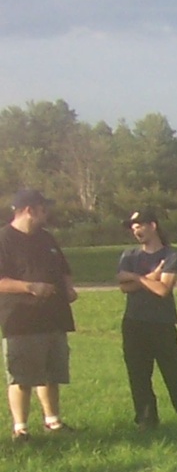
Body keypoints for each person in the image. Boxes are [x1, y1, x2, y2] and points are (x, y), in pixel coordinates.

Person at [0, 189, 77, 441]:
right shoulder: (4, 239)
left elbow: (63, 268)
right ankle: (20, 428)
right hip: (22, 319)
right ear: (30, 210)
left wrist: (68, 287)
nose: (47, 213)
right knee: (22, 376)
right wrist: (30, 287)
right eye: (43, 208)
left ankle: (52, 421)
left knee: (50, 373)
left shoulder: (46, 238)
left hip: (53, 316)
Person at [117, 208, 177, 431]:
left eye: (139, 226)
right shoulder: (129, 255)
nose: (136, 231)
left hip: (162, 323)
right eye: (133, 228)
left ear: (153, 226)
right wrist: (147, 278)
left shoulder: (171, 256)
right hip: (134, 322)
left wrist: (140, 280)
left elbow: (163, 289)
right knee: (138, 374)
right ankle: (146, 419)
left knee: (172, 372)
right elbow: (123, 286)